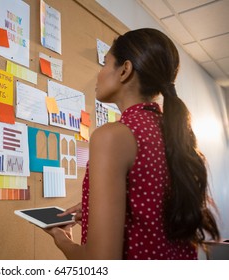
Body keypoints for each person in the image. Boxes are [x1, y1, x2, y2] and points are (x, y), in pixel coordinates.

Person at [44, 28, 220, 260]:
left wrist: (61, 240)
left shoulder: (113, 136)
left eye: (105, 63)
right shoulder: (171, 132)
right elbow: (152, 201)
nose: (99, 74)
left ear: (125, 70)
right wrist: (94, 205)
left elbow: (101, 264)